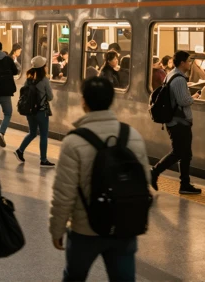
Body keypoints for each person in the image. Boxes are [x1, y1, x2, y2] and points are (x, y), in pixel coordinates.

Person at [49, 77, 150, 281]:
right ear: (111, 100)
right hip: (124, 227)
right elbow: (144, 181)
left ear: (84, 101)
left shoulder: (74, 141)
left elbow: (64, 193)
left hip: (85, 230)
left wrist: (57, 229)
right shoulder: (132, 136)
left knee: (74, 277)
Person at [150, 51, 202, 195]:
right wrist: (194, 96)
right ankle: (154, 172)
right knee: (178, 153)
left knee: (185, 154)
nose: (190, 63)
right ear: (182, 63)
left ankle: (184, 184)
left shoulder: (171, 74)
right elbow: (183, 101)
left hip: (176, 121)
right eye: (188, 61)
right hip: (179, 122)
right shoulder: (179, 79)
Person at [13, 56, 55, 166]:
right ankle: (43, 159)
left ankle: (20, 150)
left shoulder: (28, 79)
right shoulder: (45, 80)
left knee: (32, 133)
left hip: (30, 111)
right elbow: (50, 97)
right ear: (43, 68)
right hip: (41, 112)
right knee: (44, 135)